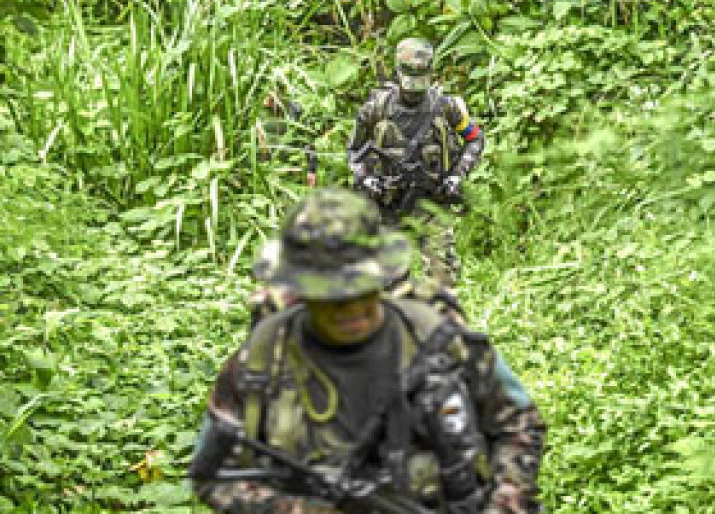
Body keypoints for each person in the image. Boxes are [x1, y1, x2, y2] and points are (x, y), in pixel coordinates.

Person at [191, 189, 544, 513]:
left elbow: (520, 424)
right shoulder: (264, 357)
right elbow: (213, 475)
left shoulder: (437, 338)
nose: (349, 308)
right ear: (301, 292)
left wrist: (504, 503)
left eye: (360, 288)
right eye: (331, 296)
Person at [347, 38, 484, 288]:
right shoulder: (376, 108)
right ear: (398, 72)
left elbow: (474, 140)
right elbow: (355, 151)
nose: (413, 88)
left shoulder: (446, 107)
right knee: (390, 282)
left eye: (420, 77)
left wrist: (457, 174)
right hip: (388, 205)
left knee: (443, 277)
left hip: (432, 203)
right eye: (409, 77)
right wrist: (366, 179)